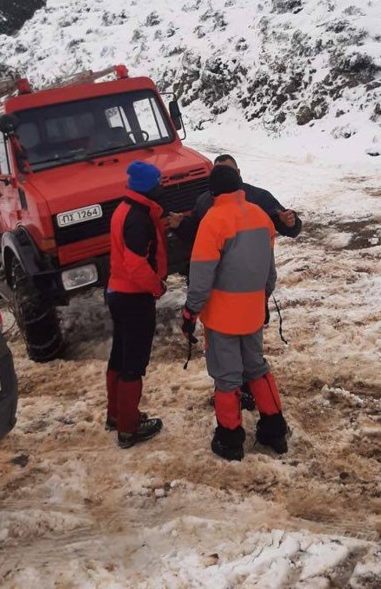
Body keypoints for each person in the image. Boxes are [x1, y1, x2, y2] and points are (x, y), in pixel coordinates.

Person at [180, 164, 289, 461]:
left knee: (227, 378)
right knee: (257, 368)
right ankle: (275, 431)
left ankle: (230, 440)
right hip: (252, 312)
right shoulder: (260, 216)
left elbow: (201, 276)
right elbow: (269, 271)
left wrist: (190, 311)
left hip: (222, 318)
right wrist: (261, 298)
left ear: (213, 191)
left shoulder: (213, 221)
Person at [105, 160, 166, 448]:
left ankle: (116, 415)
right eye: (158, 183)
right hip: (134, 297)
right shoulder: (138, 218)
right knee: (134, 363)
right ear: (147, 187)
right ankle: (128, 429)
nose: (162, 187)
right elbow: (136, 264)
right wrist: (157, 286)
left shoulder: (125, 208)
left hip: (118, 293)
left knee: (120, 356)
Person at [168, 154, 302, 245]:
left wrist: (290, 223)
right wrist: (180, 225)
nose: (224, 176)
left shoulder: (259, 197)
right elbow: (195, 233)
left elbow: (288, 227)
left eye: (228, 171)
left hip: (254, 268)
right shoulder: (204, 201)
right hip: (220, 270)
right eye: (219, 172)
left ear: (238, 172)